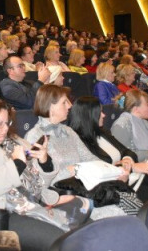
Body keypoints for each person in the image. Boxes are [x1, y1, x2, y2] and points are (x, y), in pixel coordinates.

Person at [0, 98, 88, 248]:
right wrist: (16, 164)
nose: (5, 129)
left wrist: (45, 162)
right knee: (65, 242)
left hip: (37, 202)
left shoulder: (14, 141)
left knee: (90, 227)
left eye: (7, 123)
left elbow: (40, 184)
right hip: (9, 212)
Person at [24, 84, 128, 219]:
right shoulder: (35, 137)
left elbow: (90, 159)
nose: (70, 106)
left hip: (87, 187)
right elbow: (38, 183)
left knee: (129, 204)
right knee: (120, 212)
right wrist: (71, 170)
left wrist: (115, 172)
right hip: (64, 198)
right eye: (64, 102)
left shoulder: (68, 131)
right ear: (51, 106)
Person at [67, 96, 148, 201]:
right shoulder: (79, 141)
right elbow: (100, 168)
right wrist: (132, 167)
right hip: (112, 186)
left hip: (128, 177)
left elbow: (127, 151)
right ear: (89, 116)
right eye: (100, 112)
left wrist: (127, 160)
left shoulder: (102, 133)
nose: (104, 115)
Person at [110, 89, 148, 164]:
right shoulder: (121, 126)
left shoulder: (145, 122)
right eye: (147, 104)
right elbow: (121, 154)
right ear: (136, 109)